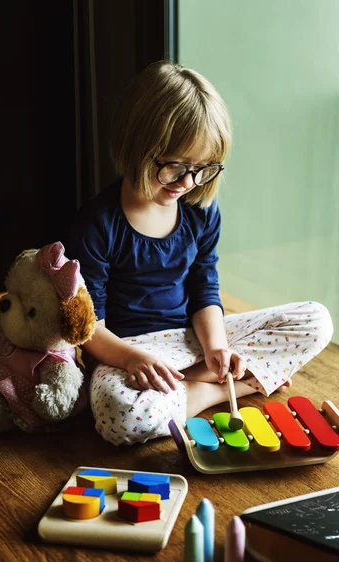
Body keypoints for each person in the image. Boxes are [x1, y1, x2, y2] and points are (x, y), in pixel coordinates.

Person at [69, 60, 333, 446]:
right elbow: (88, 327)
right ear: (137, 146)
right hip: (127, 353)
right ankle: (220, 389)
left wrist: (217, 348)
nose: (188, 182)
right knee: (120, 416)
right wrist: (131, 360)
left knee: (317, 320)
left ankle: (202, 380)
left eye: (203, 169)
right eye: (175, 167)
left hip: (189, 339)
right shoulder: (97, 223)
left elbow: (204, 288)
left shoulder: (199, 210)